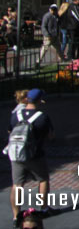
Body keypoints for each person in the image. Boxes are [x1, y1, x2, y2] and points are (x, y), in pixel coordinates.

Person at [8, 89, 54, 224]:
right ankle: (44, 209)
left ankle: (16, 216)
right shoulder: (42, 116)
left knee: (17, 184)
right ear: (40, 100)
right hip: (35, 155)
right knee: (43, 180)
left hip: (16, 154)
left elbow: (9, 130)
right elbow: (50, 136)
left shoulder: (16, 115)